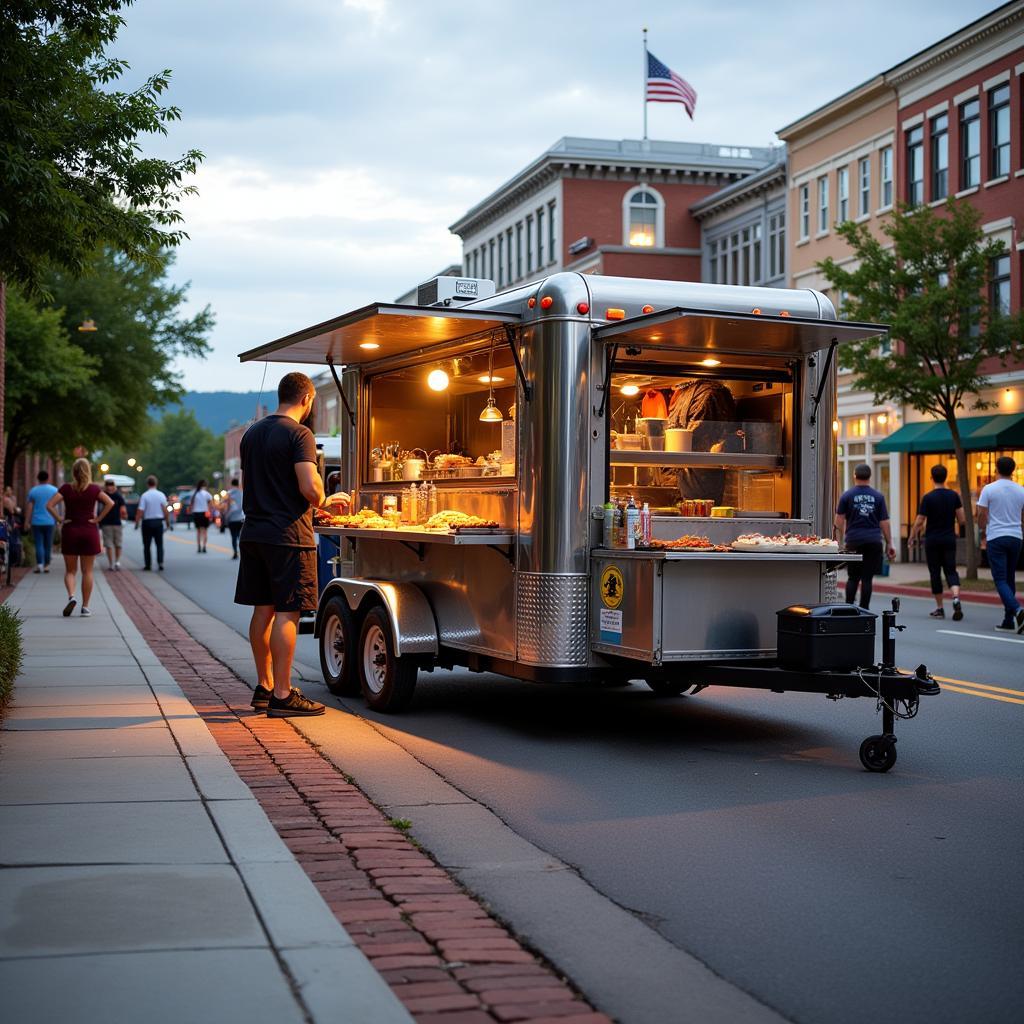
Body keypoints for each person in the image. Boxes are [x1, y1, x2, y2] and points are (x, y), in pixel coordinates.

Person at [235, 371, 348, 718]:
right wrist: (327, 499)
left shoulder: (251, 433)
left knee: (262, 610)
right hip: (287, 537)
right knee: (288, 612)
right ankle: (284, 695)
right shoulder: (300, 434)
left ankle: (264, 686)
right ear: (308, 399)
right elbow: (310, 489)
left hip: (253, 532)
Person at [45, 458, 113, 617]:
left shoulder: (66, 488)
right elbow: (110, 503)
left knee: (70, 570)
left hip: (70, 530)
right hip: (89, 531)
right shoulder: (94, 489)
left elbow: (49, 505)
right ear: (88, 471)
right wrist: (98, 519)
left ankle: (71, 596)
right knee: (87, 571)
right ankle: (85, 607)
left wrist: (60, 519)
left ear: (74, 472)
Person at [909, 464, 965, 620]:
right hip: (949, 538)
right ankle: (955, 597)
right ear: (946, 477)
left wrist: (912, 536)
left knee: (935, 572)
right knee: (951, 570)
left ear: (931, 478)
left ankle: (940, 608)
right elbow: (962, 519)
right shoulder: (954, 496)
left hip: (932, 540)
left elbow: (920, 521)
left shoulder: (928, 497)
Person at [835, 463, 895, 610]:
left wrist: (840, 541)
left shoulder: (847, 496)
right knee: (867, 578)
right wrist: (890, 543)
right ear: (870, 477)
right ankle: (864, 609)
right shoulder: (878, 497)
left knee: (853, 577)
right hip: (874, 541)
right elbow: (884, 522)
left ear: (854, 476)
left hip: (854, 541)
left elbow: (839, 521)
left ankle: (849, 607)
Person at [977, 455, 1024, 634]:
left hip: (996, 536)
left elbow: (981, 514)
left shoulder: (989, 489)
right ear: (1013, 470)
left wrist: (982, 529)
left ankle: (1018, 610)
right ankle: (1008, 620)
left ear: (996, 469)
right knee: (1009, 578)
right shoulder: (1021, 490)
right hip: (1015, 537)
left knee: (1000, 579)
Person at [25, 470, 59, 573]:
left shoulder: (33, 491)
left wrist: (27, 521)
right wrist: (58, 519)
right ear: (48, 478)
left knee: (38, 544)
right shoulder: (54, 490)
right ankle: (46, 566)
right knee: (48, 544)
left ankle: (39, 564)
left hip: (36, 522)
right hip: (50, 521)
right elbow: (56, 506)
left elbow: (30, 507)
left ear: (38, 478)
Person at [136, 475, 170, 571]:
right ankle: (160, 562)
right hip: (158, 522)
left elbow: (140, 510)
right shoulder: (161, 495)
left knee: (147, 545)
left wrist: (137, 522)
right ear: (156, 483)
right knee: (159, 544)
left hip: (147, 522)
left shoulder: (145, 495)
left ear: (147, 484)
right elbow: (165, 510)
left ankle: (148, 564)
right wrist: (167, 523)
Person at [98, 478, 128, 571]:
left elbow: (99, 508)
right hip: (113, 523)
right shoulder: (118, 496)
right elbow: (123, 510)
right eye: (109, 486)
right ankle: (116, 562)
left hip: (109, 523)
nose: (110, 488)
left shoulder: (103, 496)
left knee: (110, 544)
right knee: (116, 544)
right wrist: (124, 516)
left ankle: (112, 563)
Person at [223, 477, 245, 559]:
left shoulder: (229, 493)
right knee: (240, 536)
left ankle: (235, 552)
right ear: (238, 484)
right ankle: (242, 552)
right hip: (241, 518)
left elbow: (227, 506)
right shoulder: (242, 493)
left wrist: (226, 515)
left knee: (233, 536)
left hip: (232, 518)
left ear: (232, 484)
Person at [190, 479, 214, 553]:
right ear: (205, 485)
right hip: (204, 513)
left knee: (198, 531)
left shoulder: (194, 493)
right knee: (205, 531)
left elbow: (192, 504)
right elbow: (210, 504)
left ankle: (199, 546)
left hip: (196, 513)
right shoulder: (206, 493)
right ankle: (204, 546)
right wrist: (210, 512)